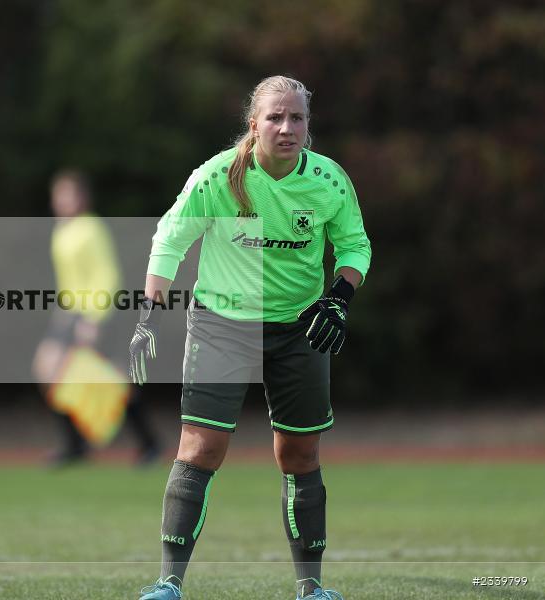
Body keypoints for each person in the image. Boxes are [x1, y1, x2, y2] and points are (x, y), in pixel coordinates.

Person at [131, 76, 371, 599]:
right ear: (253, 124)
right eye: (275, 118)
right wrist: (148, 316)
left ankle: (312, 590)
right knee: (200, 448)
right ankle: (168, 583)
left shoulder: (328, 181)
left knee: (299, 456)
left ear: (309, 125)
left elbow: (355, 245)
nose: (287, 128)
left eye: (298, 118)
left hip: (299, 329)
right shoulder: (217, 177)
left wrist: (339, 299)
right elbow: (169, 241)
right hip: (221, 325)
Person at [32, 169, 161, 466]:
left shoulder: (92, 228)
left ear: (83, 198)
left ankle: (149, 443)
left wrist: (94, 319)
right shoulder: (61, 230)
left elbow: (107, 275)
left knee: (113, 381)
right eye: (59, 194)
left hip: (95, 313)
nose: (63, 200)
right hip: (70, 312)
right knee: (47, 369)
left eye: (70, 194)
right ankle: (75, 444)